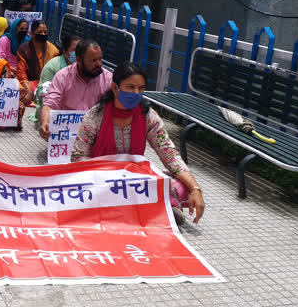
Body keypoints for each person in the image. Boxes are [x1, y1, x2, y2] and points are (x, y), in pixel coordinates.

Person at [71, 63, 206, 225]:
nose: (136, 93)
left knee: (176, 183)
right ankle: (159, 207)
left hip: (135, 179)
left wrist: (195, 189)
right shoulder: (95, 116)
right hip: (101, 179)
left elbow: (169, 154)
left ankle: (150, 206)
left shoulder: (148, 116)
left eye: (141, 88)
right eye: (131, 87)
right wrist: (105, 175)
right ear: (115, 88)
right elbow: (78, 156)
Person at [38, 39, 114, 139]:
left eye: (100, 59)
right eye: (93, 60)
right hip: (65, 136)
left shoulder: (108, 79)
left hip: (95, 135)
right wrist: (45, 123)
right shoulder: (63, 76)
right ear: (78, 60)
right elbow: (50, 104)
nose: (99, 64)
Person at [16, 21, 59, 105]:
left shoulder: (53, 49)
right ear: (32, 34)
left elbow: (57, 72)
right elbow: (21, 72)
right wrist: (28, 88)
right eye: (40, 32)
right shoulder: (24, 49)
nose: (43, 34)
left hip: (47, 83)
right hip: (29, 83)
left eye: (45, 32)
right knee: (20, 92)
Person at [35, 33, 80, 106]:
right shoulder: (52, 66)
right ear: (65, 51)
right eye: (75, 50)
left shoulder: (83, 67)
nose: (78, 53)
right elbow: (42, 91)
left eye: (80, 50)